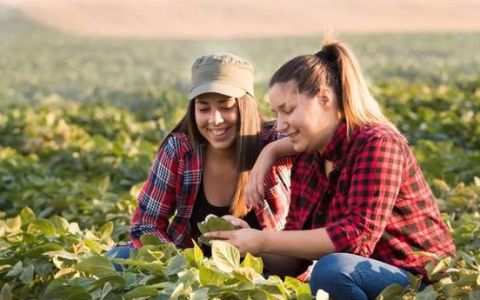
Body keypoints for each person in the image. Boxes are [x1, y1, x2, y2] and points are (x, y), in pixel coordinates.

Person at [205, 38, 456, 299]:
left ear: (324, 99)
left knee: (331, 271)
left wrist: (263, 240)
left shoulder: (378, 143)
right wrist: (250, 242)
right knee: (271, 275)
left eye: (288, 110)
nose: (279, 125)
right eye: (276, 113)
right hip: (367, 276)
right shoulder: (308, 155)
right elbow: (294, 260)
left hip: (423, 281)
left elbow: (356, 238)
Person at [108, 53, 291, 264]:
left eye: (226, 106)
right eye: (204, 108)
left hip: (265, 270)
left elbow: (321, 133)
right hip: (191, 270)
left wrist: (271, 152)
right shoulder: (180, 149)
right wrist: (181, 265)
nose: (215, 119)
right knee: (117, 257)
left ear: (245, 105)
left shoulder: (273, 139)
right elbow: (146, 224)